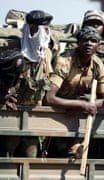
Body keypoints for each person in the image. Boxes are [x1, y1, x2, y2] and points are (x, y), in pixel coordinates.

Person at [45, 26, 104, 158]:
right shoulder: (64, 62)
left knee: (76, 152)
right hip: (52, 111)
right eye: (85, 40)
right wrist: (82, 105)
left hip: (73, 114)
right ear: (78, 43)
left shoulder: (97, 65)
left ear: (99, 44)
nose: (89, 44)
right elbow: (49, 98)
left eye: (93, 40)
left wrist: (83, 107)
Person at [3, 10, 54, 158]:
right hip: (12, 112)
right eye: (38, 28)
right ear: (29, 29)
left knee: (31, 155)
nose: (43, 33)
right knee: (7, 153)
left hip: (34, 113)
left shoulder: (47, 54)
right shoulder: (14, 50)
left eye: (46, 29)